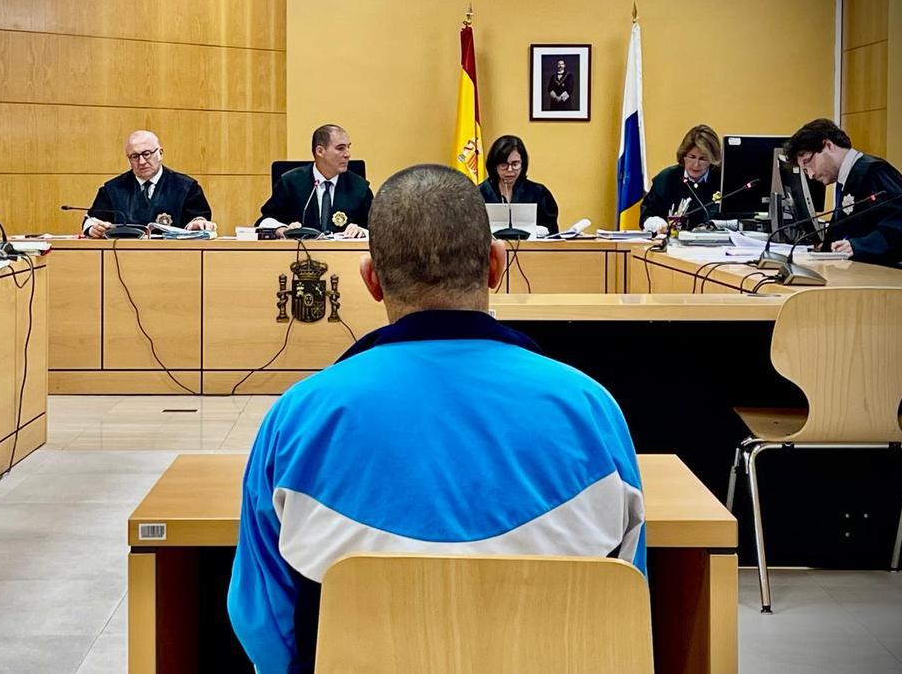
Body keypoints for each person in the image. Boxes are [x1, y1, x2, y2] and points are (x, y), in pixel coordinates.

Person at [228, 164, 646, 674]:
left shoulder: (297, 416)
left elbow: (260, 618)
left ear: (371, 279)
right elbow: (627, 594)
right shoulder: (591, 408)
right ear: (496, 264)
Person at [784, 118, 902, 264]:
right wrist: (824, 250)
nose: (811, 175)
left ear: (828, 146)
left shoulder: (874, 171)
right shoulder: (845, 179)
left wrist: (859, 246)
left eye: (808, 163)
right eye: (805, 171)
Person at [83, 130, 215, 238]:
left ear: (160, 153)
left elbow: (199, 219)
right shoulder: (113, 189)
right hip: (123, 257)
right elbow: (92, 220)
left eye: (146, 154)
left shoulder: (186, 187)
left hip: (174, 256)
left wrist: (199, 223)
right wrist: (92, 228)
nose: (141, 162)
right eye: (135, 156)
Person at [256, 124, 372, 238]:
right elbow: (265, 220)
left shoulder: (359, 187)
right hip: (299, 250)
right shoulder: (291, 183)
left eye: (348, 147)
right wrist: (282, 229)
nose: (347, 154)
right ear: (320, 151)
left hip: (344, 250)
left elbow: (376, 227)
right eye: (340, 148)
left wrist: (362, 231)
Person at [641, 124, 723, 231]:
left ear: (713, 160)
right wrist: (659, 225)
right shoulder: (666, 179)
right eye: (692, 157)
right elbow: (646, 216)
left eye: (703, 159)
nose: (696, 165)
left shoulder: (722, 180)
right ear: (683, 155)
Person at [478, 135, 560, 233]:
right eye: (503, 165)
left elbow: (552, 231)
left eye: (515, 164)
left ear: (523, 164)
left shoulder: (539, 193)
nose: (510, 170)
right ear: (494, 165)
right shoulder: (479, 193)